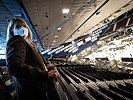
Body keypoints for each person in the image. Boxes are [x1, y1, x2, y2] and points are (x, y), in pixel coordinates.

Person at [6, 17, 59, 100]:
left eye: (25, 26)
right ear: (12, 31)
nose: (22, 28)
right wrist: (45, 74)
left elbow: (32, 62)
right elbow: (15, 67)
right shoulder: (17, 40)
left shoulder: (28, 44)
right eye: (18, 26)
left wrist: (45, 66)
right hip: (32, 93)